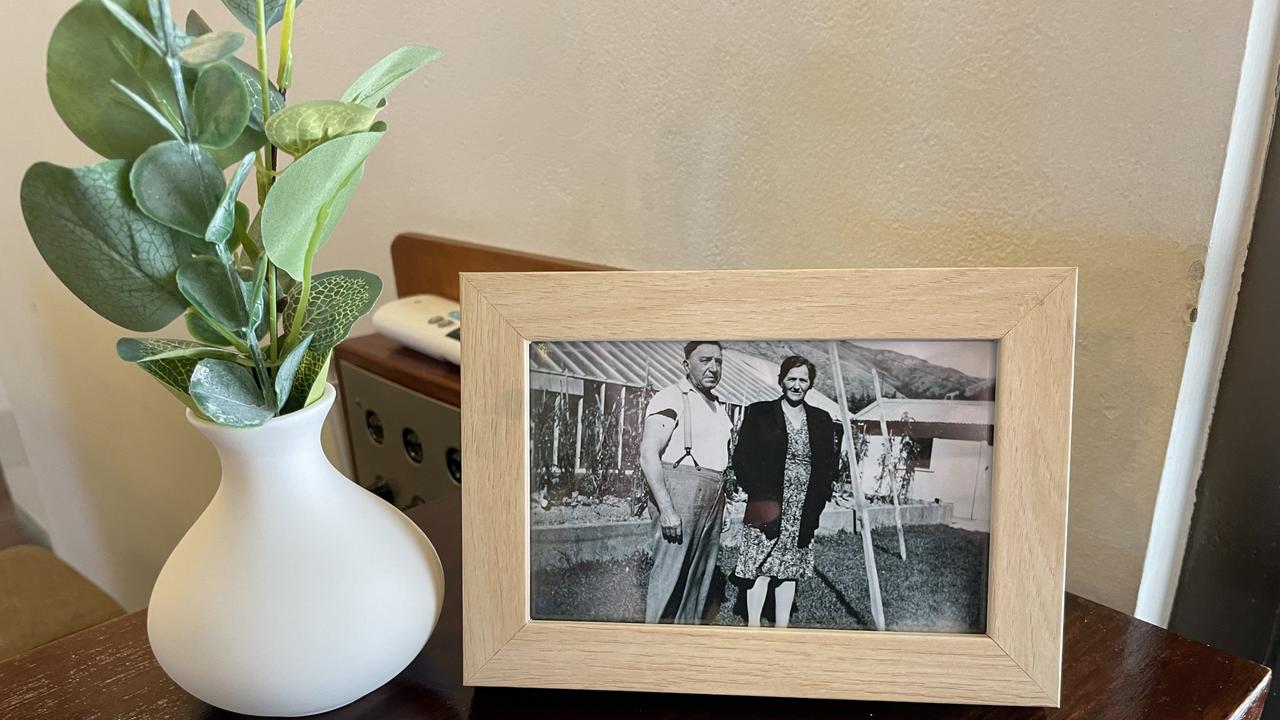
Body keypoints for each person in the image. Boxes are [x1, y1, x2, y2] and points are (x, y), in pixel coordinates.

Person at [731, 355, 838, 628]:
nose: (797, 385)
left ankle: (781, 628)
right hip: (767, 503)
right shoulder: (760, 413)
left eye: (803, 379)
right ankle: (754, 626)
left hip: (802, 507)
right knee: (760, 568)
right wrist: (757, 493)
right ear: (781, 380)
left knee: (789, 570)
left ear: (810, 384)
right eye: (791, 378)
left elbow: (828, 467)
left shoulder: (822, 420)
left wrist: (818, 501)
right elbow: (742, 458)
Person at [639, 341, 734, 623]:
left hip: (713, 498)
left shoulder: (718, 407)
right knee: (670, 576)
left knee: (700, 578)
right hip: (680, 494)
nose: (713, 368)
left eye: (718, 361)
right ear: (686, 365)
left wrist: (723, 504)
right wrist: (667, 509)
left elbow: (717, 458)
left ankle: (685, 639)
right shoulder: (670, 397)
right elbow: (648, 455)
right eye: (705, 360)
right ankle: (654, 641)